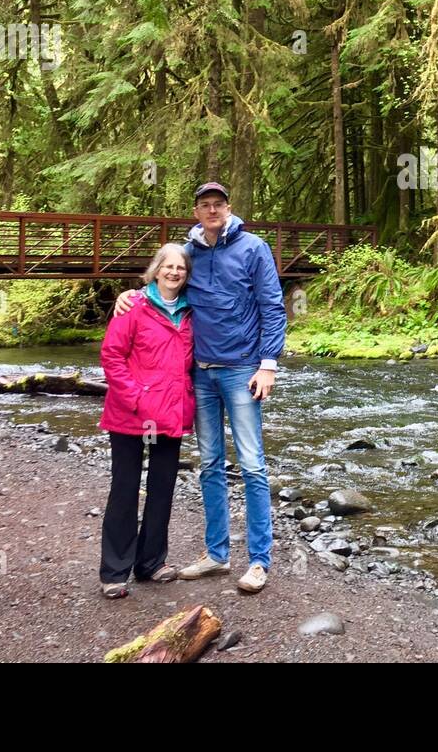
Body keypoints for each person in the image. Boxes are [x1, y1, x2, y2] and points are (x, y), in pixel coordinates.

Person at [114, 181, 286, 593]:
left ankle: (259, 562)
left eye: (219, 204)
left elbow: (273, 306)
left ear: (229, 208)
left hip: (242, 370)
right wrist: (133, 293)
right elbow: (165, 286)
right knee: (210, 464)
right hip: (200, 374)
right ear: (196, 211)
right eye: (205, 205)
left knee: (252, 464)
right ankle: (217, 554)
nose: (212, 210)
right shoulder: (189, 252)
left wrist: (268, 365)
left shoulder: (253, 248)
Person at [97, 243, 195, 598]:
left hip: (171, 414)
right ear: (155, 271)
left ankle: (151, 563)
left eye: (180, 268)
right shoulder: (134, 306)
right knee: (124, 490)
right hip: (131, 415)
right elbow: (111, 356)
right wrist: (136, 397)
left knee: (162, 489)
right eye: (167, 266)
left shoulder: (190, 311)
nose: (173, 272)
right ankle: (114, 571)